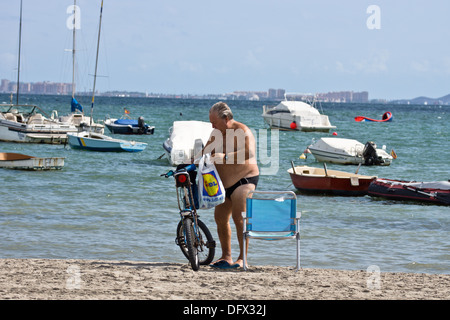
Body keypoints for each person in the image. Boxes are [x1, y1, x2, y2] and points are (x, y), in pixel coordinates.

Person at [200, 102, 259, 269]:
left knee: (239, 218)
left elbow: (250, 153)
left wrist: (224, 157)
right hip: (223, 184)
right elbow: (205, 153)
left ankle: (242, 258)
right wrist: (191, 161)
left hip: (244, 179)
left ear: (226, 118)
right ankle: (226, 256)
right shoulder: (216, 133)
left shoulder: (242, 131)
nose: (212, 126)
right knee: (220, 218)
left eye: (215, 122)